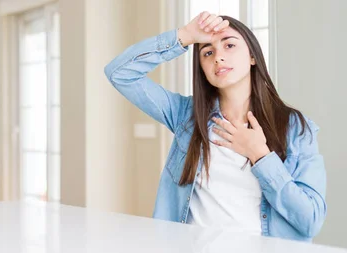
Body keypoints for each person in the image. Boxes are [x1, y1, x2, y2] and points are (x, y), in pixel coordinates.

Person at [104, 12, 326, 242]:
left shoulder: (297, 129)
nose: (218, 57)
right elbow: (119, 73)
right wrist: (185, 36)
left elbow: (310, 221)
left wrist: (260, 156)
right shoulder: (185, 116)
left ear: (253, 56)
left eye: (229, 45)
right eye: (208, 52)